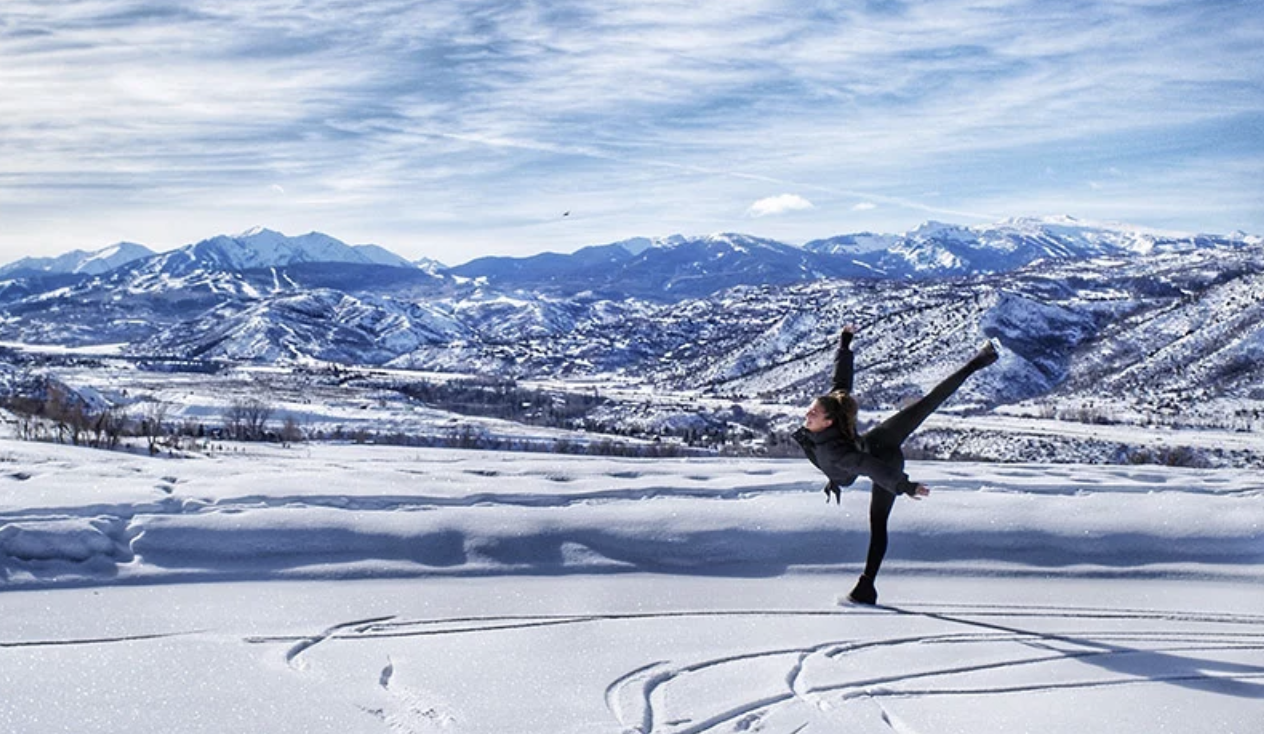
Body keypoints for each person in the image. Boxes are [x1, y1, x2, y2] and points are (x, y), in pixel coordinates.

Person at [792, 324, 999, 605]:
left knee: (878, 521)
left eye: (814, 411)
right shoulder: (830, 418)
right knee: (920, 410)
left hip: (880, 459)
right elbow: (840, 384)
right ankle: (867, 587)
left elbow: (867, 466)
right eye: (811, 409)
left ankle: (979, 361)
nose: (808, 412)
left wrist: (904, 485)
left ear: (828, 421)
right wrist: (844, 344)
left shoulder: (836, 453)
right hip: (868, 449)